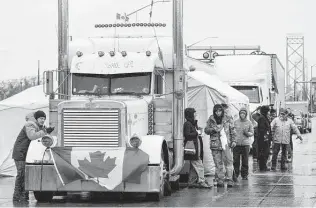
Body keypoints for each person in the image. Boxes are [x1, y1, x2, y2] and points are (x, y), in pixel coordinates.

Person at [12, 110, 54, 202]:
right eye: (41, 118)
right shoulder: (30, 124)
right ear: (36, 118)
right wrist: (45, 131)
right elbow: (32, 136)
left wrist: (48, 132)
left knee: (25, 175)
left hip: (27, 154)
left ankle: (24, 196)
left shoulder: (40, 126)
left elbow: (42, 137)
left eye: (44, 118)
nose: (43, 120)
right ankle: (16, 196)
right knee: (21, 174)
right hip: (20, 153)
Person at [205, 104, 237, 187]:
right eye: (216, 111)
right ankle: (220, 180)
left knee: (229, 162)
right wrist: (213, 129)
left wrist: (233, 140)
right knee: (218, 163)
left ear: (222, 111)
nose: (218, 113)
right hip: (215, 144)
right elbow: (206, 130)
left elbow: (233, 130)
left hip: (226, 143)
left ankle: (230, 179)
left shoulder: (228, 118)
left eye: (219, 111)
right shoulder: (211, 119)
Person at [183, 108, 211, 188]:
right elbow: (187, 134)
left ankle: (191, 182)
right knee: (199, 165)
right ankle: (202, 181)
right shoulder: (188, 124)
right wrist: (197, 133)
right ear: (190, 115)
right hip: (193, 148)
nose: (195, 115)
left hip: (195, 148)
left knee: (193, 166)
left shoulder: (191, 123)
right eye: (194, 114)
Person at [233, 107, 254, 181]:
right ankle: (235, 174)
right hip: (237, 144)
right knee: (236, 160)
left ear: (246, 114)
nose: (242, 115)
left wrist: (247, 133)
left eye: (244, 113)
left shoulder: (249, 122)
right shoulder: (235, 122)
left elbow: (252, 133)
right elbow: (232, 132)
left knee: (245, 160)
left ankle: (244, 175)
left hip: (245, 144)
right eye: (241, 113)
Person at [257, 105, 271, 171]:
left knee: (265, 152)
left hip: (265, 138)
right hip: (263, 139)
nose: (269, 112)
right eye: (268, 111)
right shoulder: (262, 118)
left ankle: (263, 166)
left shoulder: (264, 117)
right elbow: (262, 130)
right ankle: (262, 166)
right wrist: (266, 138)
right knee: (264, 152)